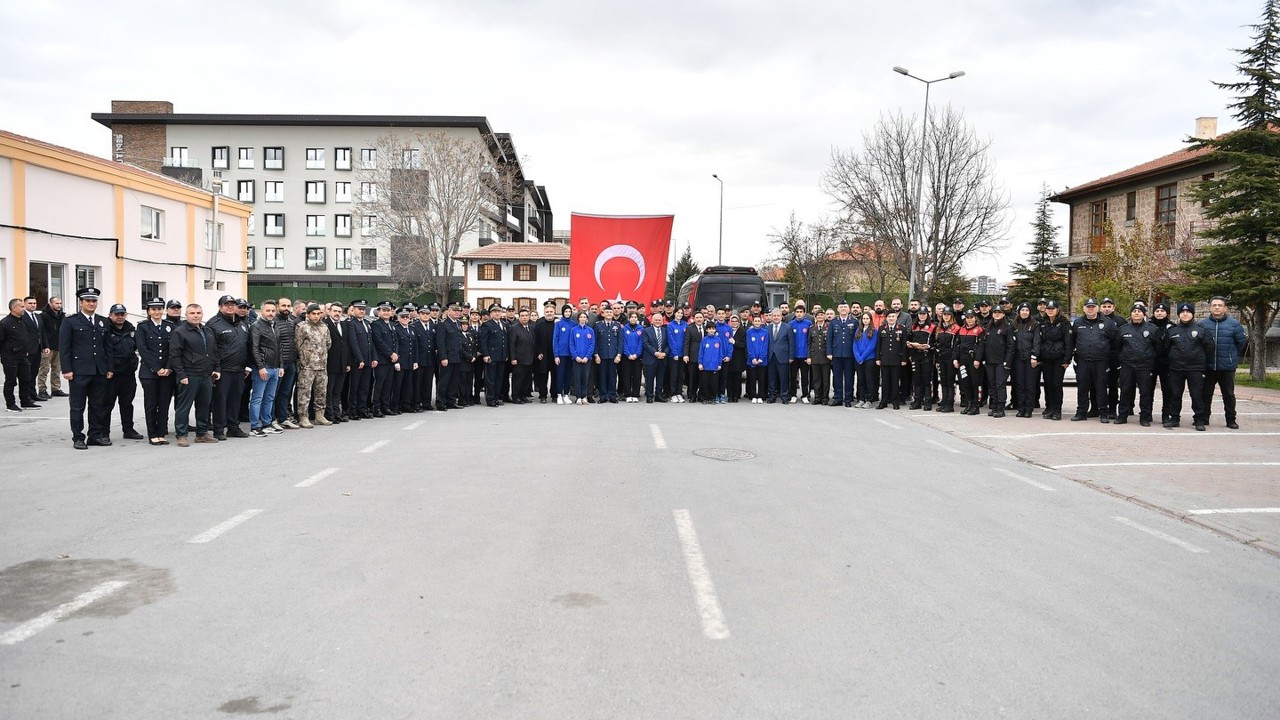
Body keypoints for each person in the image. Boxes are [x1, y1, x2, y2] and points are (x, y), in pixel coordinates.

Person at [59, 287, 111, 449]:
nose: (91, 303)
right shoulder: (70, 321)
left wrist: (109, 368)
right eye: (88, 300)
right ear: (81, 302)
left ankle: (94, 435)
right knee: (77, 406)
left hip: (99, 371)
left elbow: (107, 347)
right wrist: (66, 369)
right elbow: (65, 347)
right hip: (79, 371)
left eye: (94, 300)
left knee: (97, 405)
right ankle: (78, 437)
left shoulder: (103, 321)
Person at [169, 303, 221, 447]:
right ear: (186, 315)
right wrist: (181, 375)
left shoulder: (207, 330)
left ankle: (202, 433)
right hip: (189, 375)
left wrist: (217, 368)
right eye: (192, 313)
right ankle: (181, 435)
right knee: (184, 407)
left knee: (204, 406)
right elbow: (175, 355)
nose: (196, 316)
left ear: (202, 314)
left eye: (198, 313)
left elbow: (214, 351)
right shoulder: (180, 332)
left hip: (206, 375)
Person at [1199, 296, 1247, 429]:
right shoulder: (1202, 325)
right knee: (1205, 394)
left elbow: (1241, 343)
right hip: (1208, 366)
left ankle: (1231, 420)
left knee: (1228, 394)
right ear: (1210, 308)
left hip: (1227, 367)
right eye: (1214, 305)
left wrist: (1231, 355)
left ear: (1225, 308)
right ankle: (1204, 418)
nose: (1217, 307)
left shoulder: (1234, 324)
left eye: (1220, 305)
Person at [1165, 302, 1215, 431]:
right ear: (1179, 314)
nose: (1185, 314)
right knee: (1175, 394)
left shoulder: (1201, 330)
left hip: (1195, 368)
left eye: (1188, 312)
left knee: (1197, 395)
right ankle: (1174, 418)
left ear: (1192, 314)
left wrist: (1201, 362)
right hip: (1176, 368)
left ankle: (1199, 420)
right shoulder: (1172, 330)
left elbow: (1209, 348)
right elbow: (1166, 348)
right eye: (1182, 312)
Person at [206, 295, 251, 440]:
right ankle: (218, 429)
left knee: (235, 400)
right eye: (226, 305)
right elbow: (211, 349)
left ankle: (233, 427)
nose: (230, 307)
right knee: (220, 401)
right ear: (220, 307)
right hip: (223, 370)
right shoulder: (213, 324)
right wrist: (215, 369)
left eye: (232, 304)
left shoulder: (242, 324)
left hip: (239, 370)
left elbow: (247, 346)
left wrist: (247, 366)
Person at [135, 297, 175, 444]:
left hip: (167, 372)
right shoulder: (142, 327)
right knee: (151, 404)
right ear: (148, 311)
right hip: (149, 372)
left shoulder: (170, 326)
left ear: (163, 310)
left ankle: (161, 433)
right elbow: (143, 350)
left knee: (164, 404)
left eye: (159, 309)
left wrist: (169, 367)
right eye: (153, 309)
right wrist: (157, 368)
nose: (157, 312)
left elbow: (173, 349)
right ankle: (152, 434)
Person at [1113, 303, 1161, 426]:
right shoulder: (1123, 329)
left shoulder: (1152, 329)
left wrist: (1150, 359)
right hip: (1127, 365)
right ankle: (1122, 416)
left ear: (1144, 314)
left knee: (1145, 392)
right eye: (1134, 311)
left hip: (1145, 365)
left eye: (1139, 311)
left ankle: (1145, 417)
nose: (1136, 313)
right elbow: (1117, 346)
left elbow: (1158, 348)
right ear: (1131, 314)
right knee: (1125, 390)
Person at [1070, 298, 1116, 423]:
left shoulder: (1108, 323)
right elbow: (1073, 340)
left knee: (1101, 388)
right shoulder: (1078, 322)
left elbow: (1114, 342)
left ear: (1097, 308)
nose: (1090, 309)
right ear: (1084, 309)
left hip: (1101, 362)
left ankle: (1104, 413)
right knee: (1082, 388)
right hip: (1083, 361)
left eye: (1093, 307)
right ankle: (1081, 412)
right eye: (1088, 307)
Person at [104, 303, 143, 440]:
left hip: (128, 373)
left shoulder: (131, 329)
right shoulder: (105, 329)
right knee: (107, 405)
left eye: (122, 314)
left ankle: (128, 430)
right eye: (117, 314)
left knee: (127, 404)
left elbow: (136, 348)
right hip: (111, 375)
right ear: (110, 315)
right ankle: (104, 432)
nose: (120, 317)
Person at [248, 300, 284, 436]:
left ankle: (267, 424)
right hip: (263, 368)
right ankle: (255, 426)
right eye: (268, 310)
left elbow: (279, 347)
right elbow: (254, 348)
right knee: (257, 397)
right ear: (261, 311)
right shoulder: (256, 326)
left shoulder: (275, 325)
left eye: (273, 311)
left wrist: (281, 366)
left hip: (275, 368)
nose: (271, 313)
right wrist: (260, 367)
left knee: (269, 397)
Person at [1036, 300, 1073, 421]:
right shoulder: (1042, 323)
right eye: (1048, 309)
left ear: (1057, 310)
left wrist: (1067, 359)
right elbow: (1039, 341)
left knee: (1056, 384)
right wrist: (1038, 357)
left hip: (1059, 358)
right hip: (1046, 358)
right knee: (1047, 384)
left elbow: (1068, 342)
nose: (1050, 311)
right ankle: (1049, 408)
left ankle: (1057, 410)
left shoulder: (1064, 323)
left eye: (1053, 309)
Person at [981, 305, 1013, 418]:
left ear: (1003, 314)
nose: (997, 314)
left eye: (999, 312)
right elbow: (985, 344)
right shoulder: (989, 326)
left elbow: (1011, 346)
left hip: (1001, 361)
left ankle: (1000, 408)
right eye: (995, 312)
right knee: (992, 384)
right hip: (990, 360)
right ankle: (994, 406)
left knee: (1000, 384)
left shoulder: (1007, 327)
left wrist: (1007, 362)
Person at [1, 299, 33, 413]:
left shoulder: (22, 321)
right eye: (22, 307)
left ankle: (25, 401)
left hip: (23, 356)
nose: (24, 309)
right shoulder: (5, 323)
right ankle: (10, 404)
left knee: (25, 379)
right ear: (14, 308)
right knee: (11, 381)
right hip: (10, 357)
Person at [370, 300, 399, 417]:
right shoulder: (376, 324)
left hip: (391, 360)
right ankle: (376, 407)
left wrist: (395, 354)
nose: (386, 313)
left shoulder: (392, 325)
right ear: (378, 312)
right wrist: (390, 354)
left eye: (388, 310)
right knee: (379, 384)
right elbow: (379, 342)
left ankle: (385, 406)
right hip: (382, 359)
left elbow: (395, 341)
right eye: (383, 310)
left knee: (388, 384)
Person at [345, 300, 373, 419]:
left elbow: (370, 343)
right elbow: (353, 343)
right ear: (353, 309)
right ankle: (353, 410)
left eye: (363, 309)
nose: (362, 311)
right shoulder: (351, 324)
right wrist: (360, 359)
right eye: (359, 309)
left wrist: (373, 358)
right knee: (354, 387)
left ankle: (362, 409)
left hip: (368, 360)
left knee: (364, 387)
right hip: (357, 361)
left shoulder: (367, 323)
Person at [954, 311, 985, 415]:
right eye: (967, 317)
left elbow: (981, 346)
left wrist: (978, 359)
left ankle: (975, 406)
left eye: (971, 317)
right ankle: (969, 404)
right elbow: (956, 345)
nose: (969, 319)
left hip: (973, 360)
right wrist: (955, 358)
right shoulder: (961, 330)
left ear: (975, 318)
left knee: (974, 383)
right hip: (963, 360)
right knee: (965, 383)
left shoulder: (979, 330)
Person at [875, 310, 907, 410]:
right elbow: (878, 344)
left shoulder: (901, 328)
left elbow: (904, 345)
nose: (891, 318)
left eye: (893, 316)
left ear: (896, 317)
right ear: (886, 318)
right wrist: (878, 358)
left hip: (896, 359)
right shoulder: (882, 328)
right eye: (889, 317)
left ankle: (895, 402)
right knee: (885, 382)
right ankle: (883, 401)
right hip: (884, 359)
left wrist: (904, 359)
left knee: (895, 382)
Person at [478, 305, 509, 407]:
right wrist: (486, 354)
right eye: (495, 312)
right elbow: (483, 341)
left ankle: (496, 397)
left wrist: (506, 354)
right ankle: (490, 399)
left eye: (499, 311)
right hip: (491, 356)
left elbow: (505, 341)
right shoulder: (487, 325)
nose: (497, 313)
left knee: (499, 379)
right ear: (491, 314)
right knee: (490, 379)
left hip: (501, 356)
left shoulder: (504, 324)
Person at [435, 303, 464, 410]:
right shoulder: (443, 324)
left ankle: (451, 401)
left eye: (458, 311)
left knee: (454, 381)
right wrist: (443, 357)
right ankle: (440, 402)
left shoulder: (458, 323)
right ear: (449, 311)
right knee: (444, 381)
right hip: (447, 357)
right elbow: (440, 343)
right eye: (455, 311)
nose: (457, 313)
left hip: (457, 356)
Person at [325, 303, 351, 422]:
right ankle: (329, 414)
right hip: (330, 363)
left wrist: (348, 363)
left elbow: (347, 345)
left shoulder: (344, 325)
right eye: (335, 311)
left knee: (338, 391)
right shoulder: (325, 324)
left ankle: (337, 413)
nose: (337, 314)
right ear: (330, 311)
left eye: (339, 312)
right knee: (329, 391)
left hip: (342, 364)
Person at [827, 301, 855, 407]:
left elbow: (857, 338)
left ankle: (848, 398)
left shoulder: (854, 322)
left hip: (849, 354)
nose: (843, 309)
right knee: (837, 377)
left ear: (849, 309)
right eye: (841, 307)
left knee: (849, 377)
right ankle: (838, 397)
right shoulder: (833, 322)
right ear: (838, 309)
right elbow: (829, 339)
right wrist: (829, 352)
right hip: (836, 354)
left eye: (845, 307)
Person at [907, 307, 936, 411]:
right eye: (920, 314)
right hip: (915, 355)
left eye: (924, 313)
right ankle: (917, 401)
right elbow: (909, 339)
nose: (922, 315)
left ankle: (927, 401)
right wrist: (910, 345)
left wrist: (928, 346)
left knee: (926, 379)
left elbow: (935, 342)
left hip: (926, 355)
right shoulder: (913, 326)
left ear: (927, 314)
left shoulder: (932, 327)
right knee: (916, 379)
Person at [37, 295, 65, 399]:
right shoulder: (43, 316)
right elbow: (41, 332)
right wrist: (44, 345)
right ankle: (42, 390)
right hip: (47, 347)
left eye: (60, 303)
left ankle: (56, 388)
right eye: (56, 303)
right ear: (50, 304)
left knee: (57, 369)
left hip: (59, 346)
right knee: (44, 369)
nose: (59, 305)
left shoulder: (62, 316)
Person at [765, 309, 795, 404]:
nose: (776, 317)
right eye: (774, 316)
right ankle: (772, 396)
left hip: (783, 357)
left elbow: (791, 343)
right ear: (771, 317)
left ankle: (784, 396)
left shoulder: (787, 328)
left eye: (778, 316)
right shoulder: (767, 328)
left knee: (784, 378)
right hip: (770, 357)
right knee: (771, 378)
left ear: (781, 317)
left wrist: (791, 357)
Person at [594, 305, 622, 403]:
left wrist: (619, 355)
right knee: (602, 376)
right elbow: (595, 341)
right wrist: (596, 354)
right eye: (607, 312)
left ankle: (612, 395)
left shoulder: (617, 325)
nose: (609, 314)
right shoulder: (598, 325)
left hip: (613, 355)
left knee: (612, 376)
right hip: (602, 355)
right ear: (603, 314)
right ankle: (603, 396)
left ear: (613, 314)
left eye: (610, 312)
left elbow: (620, 341)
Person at [933, 308, 959, 413]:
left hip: (950, 358)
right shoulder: (939, 328)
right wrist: (937, 359)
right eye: (944, 314)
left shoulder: (956, 328)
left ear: (952, 316)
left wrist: (955, 358)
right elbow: (937, 344)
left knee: (950, 381)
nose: (946, 316)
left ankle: (949, 404)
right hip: (941, 358)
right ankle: (944, 401)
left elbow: (956, 346)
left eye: (948, 314)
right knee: (943, 381)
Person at [393, 308, 418, 413]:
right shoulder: (395, 328)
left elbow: (415, 346)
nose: (405, 319)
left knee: (408, 385)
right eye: (402, 317)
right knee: (398, 385)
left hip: (410, 361)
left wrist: (415, 361)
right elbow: (395, 345)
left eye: (407, 317)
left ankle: (406, 405)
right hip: (401, 361)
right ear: (398, 318)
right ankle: (395, 406)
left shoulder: (412, 329)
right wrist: (396, 362)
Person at [509, 308, 536, 404]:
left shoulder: (531, 328)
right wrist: (513, 358)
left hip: (529, 358)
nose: (524, 317)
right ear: (519, 317)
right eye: (522, 316)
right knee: (518, 379)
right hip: (518, 359)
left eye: (526, 315)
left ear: (529, 317)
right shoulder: (514, 328)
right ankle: (516, 397)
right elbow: (511, 344)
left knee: (526, 379)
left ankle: (523, 396)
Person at [641, 312, 669, 403]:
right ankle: (649, 395)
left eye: (659, 320)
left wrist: (665, 353)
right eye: (656, 320)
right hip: (651, 358)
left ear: (662, 321)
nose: (658, 321)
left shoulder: (665, 330)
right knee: (649, 378)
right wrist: (655, 353)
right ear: (652, 321)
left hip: (662, 358)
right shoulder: (646, 331)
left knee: (660, 378)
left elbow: (668, 343)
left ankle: (658, 395)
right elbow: (645, 344)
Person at [852, 313, 878, 409]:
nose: (865, 320)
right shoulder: (858, 330)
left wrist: (862, 357)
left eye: (867, 318)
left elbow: (872, 346)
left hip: (869, 359)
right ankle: (861, 399)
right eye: (864, 318)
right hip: (858, 359)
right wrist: (858, 357)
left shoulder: (874, 331)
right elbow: (854, 344)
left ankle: (869, 400)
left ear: (870, 320)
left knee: (869, 379)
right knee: (860, 379)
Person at [532, 302, 557, 403]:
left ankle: (554, 395)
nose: (549, 313)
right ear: (544, 312)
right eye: (547, 312)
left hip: (555, 354)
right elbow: (536, 340)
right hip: (543, 355)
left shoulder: (558, 323)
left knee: (555, 375)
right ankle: (543, 395)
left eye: (551, 311)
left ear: (554, 312)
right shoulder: (539, 324)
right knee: (543, 376)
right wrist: (538, 352)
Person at [568, 312, 595, 404]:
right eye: (581, 317)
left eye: (584, 317)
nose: (583, 318)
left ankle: (584, 396)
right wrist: (576, 356)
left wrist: (587, 356)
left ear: (587, 319)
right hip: (577, 359)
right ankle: (578, 397)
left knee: (585, 377)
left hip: (587, 359)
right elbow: (571, 344)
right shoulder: (574, 330)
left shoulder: (590, 330)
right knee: (577, 378)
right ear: (578, 319)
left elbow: (592, 344)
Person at [789, 303, 813, 403]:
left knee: (805, 376)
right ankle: (793, 395)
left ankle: (805, 395)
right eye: (797, 312)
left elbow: (810, 341)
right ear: (795, 313)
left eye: (801, 312)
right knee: (793, 376)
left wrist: (809, 356)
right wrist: (790, 355)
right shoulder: (791, 324)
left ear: (804, 313)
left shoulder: (808, 324)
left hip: (804, 355)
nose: (799, 314)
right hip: (794, 355)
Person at [697, 320, 725, 404]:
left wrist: (719, 364)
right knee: (705, 383)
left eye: (713, 329)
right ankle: (705, 398)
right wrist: (700, 363)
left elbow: (720, 353)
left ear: (715, 330)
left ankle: (712, 397)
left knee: (713, 383)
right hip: (705, 366)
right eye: (709, 329)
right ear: (707, 330)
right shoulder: (704, 340)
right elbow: (701, 352)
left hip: (715, 366)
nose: (711, 330)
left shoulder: (718, 340)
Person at [552, 304, 575, 405]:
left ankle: (566, 394)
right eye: (566, 311)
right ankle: (559, 395)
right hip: (561, 353)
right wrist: (556, 355)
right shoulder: (558, 324)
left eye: (569, 311)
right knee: (560, 375)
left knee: (568, 375)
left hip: (571, 354)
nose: (568, 313)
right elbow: (555, 339)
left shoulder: (574, 324)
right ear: (562, 312)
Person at [619, 312, 644, 402]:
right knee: (626, 375)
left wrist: (636, 354)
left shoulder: (641, 329)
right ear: (628, 318)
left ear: (637, 319)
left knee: (637, 375)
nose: (633, 318)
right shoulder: (624, 329)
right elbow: (623, 342)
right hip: (627, 356)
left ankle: (635, 394)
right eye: (632, 317)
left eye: (635, 317)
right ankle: (628, 394)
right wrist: (628, 354)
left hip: (637, 356)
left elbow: (641, 343)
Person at [666, 306, 688, 402]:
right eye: (678, 312)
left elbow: (686, 340)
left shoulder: (685, 325)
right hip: (673, 355)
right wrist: (675, 353)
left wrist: (685, 354)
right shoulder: (670, 325)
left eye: (681, 313)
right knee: (673, 375)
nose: (680, 314)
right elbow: (671, 340)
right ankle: (673, 394)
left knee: (680, 375)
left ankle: (679, 393)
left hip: (683, 355)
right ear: (674, 313)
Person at [745, 314, 768, 403]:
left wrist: (761, 358)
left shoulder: (765, 332)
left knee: (762, 379)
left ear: (761, 322)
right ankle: (753, 395)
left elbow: (765, 346)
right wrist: (752, 358)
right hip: (752, 360)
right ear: (753, 322)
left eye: (759, 321)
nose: (757, 322)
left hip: (762, 360)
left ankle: (761, 396)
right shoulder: (749, 332)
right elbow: (749, 345)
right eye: (755, 321)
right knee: (752, 378)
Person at [808, 312, 829, 405]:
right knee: (816, 379)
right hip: (815, 356)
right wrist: (808, 356)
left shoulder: (828, 327)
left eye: (821, 315)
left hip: (825, 356)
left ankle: (825, 397)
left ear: (824, 316)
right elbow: (809, 343)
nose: (820, 317)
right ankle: (817, 397)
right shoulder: (812, 328)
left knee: (825, 379)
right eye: (818, 315)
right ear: (815, 317)